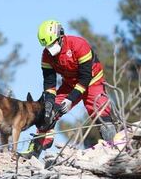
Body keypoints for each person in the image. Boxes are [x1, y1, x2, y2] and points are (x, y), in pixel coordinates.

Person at [20, 19, 117, 158]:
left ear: (60, 36)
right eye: (47, 45)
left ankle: (113, 147)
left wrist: (71, 99)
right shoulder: (46, 55)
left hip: (92, 81)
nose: (50, 48)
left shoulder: (79, 45)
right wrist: (48, 103)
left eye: (52, 43)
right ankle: (35, 148)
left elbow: (85, 77)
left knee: (100, 112)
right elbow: (49, 83)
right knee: (48, 112)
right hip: (70, 84)